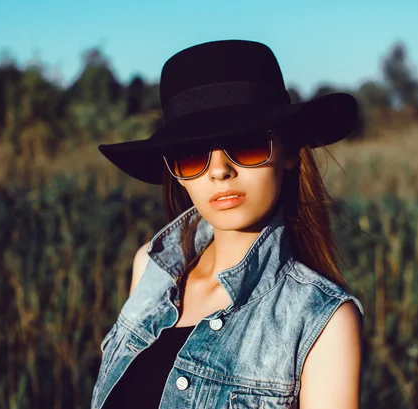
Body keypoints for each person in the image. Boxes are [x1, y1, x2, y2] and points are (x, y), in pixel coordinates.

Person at [92, 39, 364, 409]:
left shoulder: (321, 320)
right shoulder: (150, 270)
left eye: (247, 143)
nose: (220, 171)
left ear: (288, 153)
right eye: (192, 155)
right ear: (177, 174)